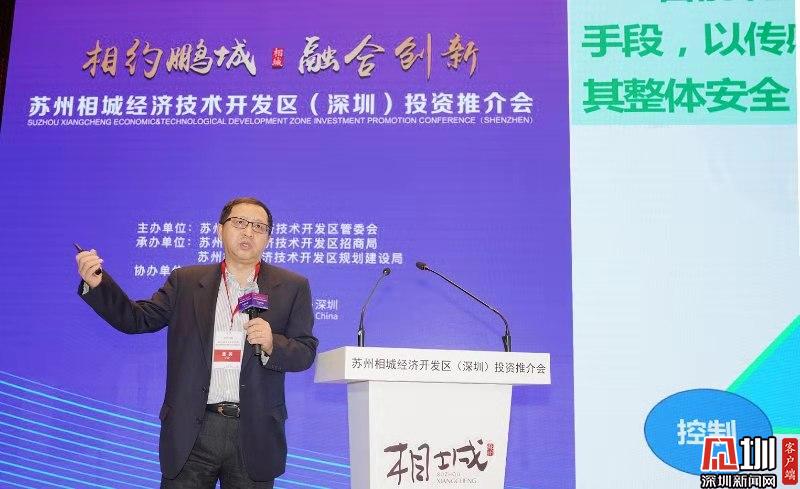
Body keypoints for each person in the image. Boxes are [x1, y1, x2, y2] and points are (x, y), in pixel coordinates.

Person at [75, 197, 318, 488]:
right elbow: (137, 319)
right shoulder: (186, 281)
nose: (248, 232)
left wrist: (272, 344)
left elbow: (305, 351)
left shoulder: (292, 286)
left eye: (258, 227)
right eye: (239, 223)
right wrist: (99, 284)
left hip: (254, 432)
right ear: (220, 230)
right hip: (193, 430)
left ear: (268, 237)